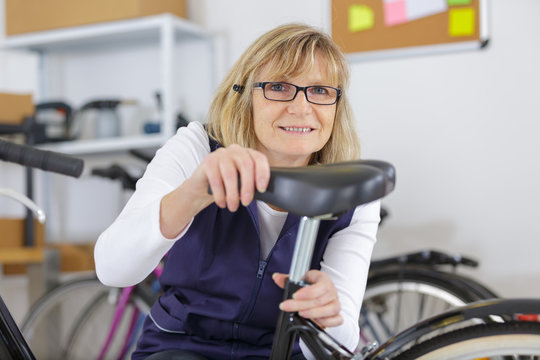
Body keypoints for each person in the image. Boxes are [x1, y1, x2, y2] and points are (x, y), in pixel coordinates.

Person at [94, 23, 381, 360]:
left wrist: (327, 313)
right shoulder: (197, 148)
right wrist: (192, 194)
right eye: (278, 86)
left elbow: (342, 342)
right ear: (246, 95)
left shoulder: (354, 192)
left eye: (319, 91)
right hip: (182, 347)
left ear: (337, 105)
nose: (302, 107)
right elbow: (112, 269)